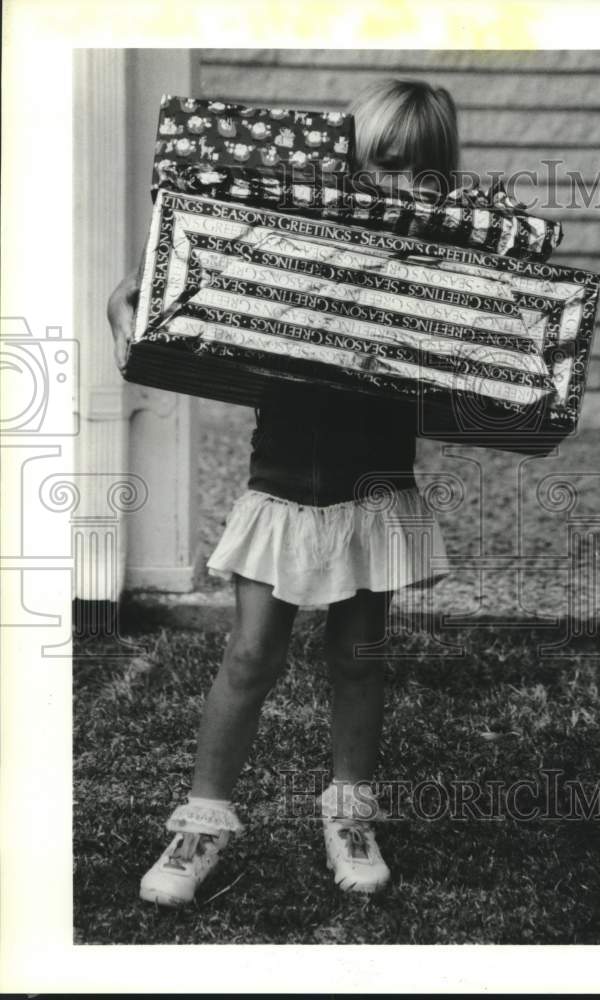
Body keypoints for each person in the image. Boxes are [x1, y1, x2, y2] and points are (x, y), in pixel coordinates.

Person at [107, 79, 459, 905]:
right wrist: (128, 301)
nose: (398, 187)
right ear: (345, 165)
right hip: (285, 481)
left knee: (358, 660)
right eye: (381, 166)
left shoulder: (437, 263)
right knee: (251, 655)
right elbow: (171, 279)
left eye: (420, 173)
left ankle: (348, 815)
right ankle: (201, 824)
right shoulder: (288, 235)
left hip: (376, 489)